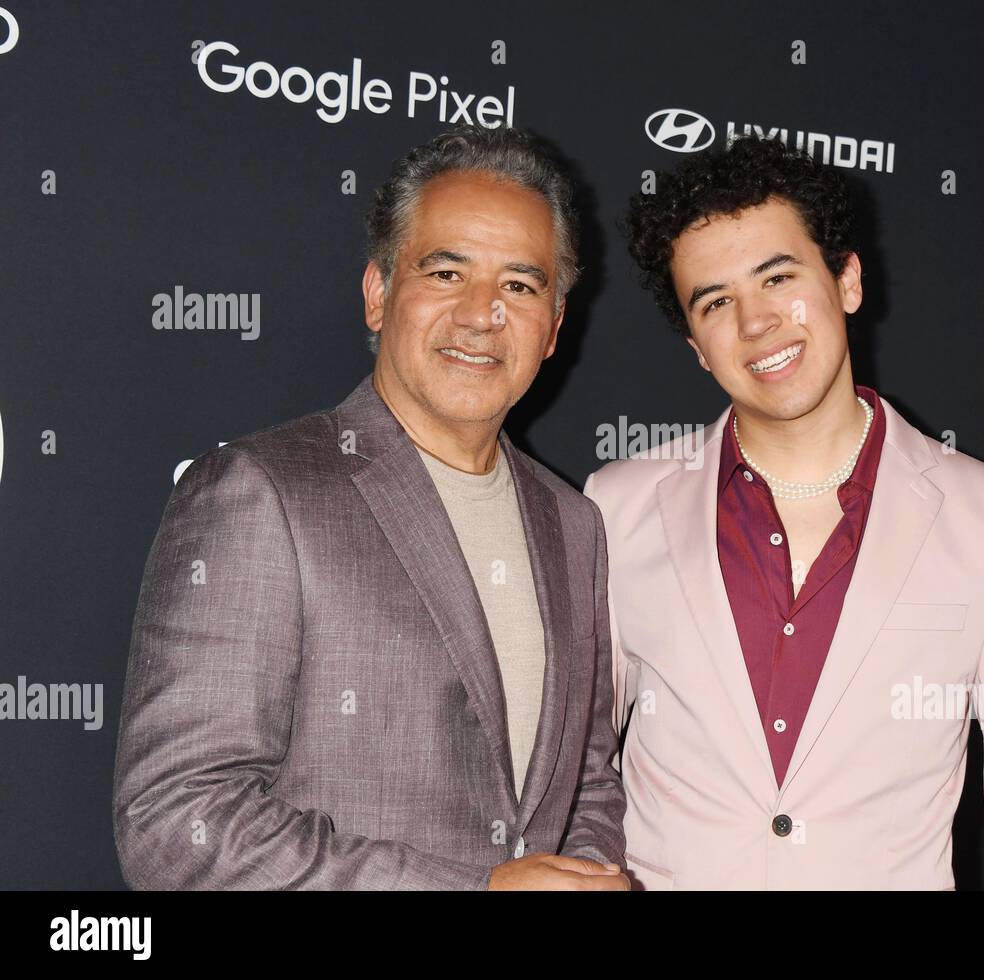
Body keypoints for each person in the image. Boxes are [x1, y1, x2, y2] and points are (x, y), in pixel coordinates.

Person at [113, 125, 627, 890]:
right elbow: (175, 822)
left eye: (521, 285)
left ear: (553, 328)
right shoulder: (263, 491)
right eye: (447, 273)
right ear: (379, 293)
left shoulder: (573, 523)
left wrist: (586, 872)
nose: (482, 313)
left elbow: (585, 779)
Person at [584, 135, 984, 889]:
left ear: (847, 280)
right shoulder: (616, 506)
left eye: (778, 277)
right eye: (717, 302)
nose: (756, 322)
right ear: (697, 346)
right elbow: (576, 765)